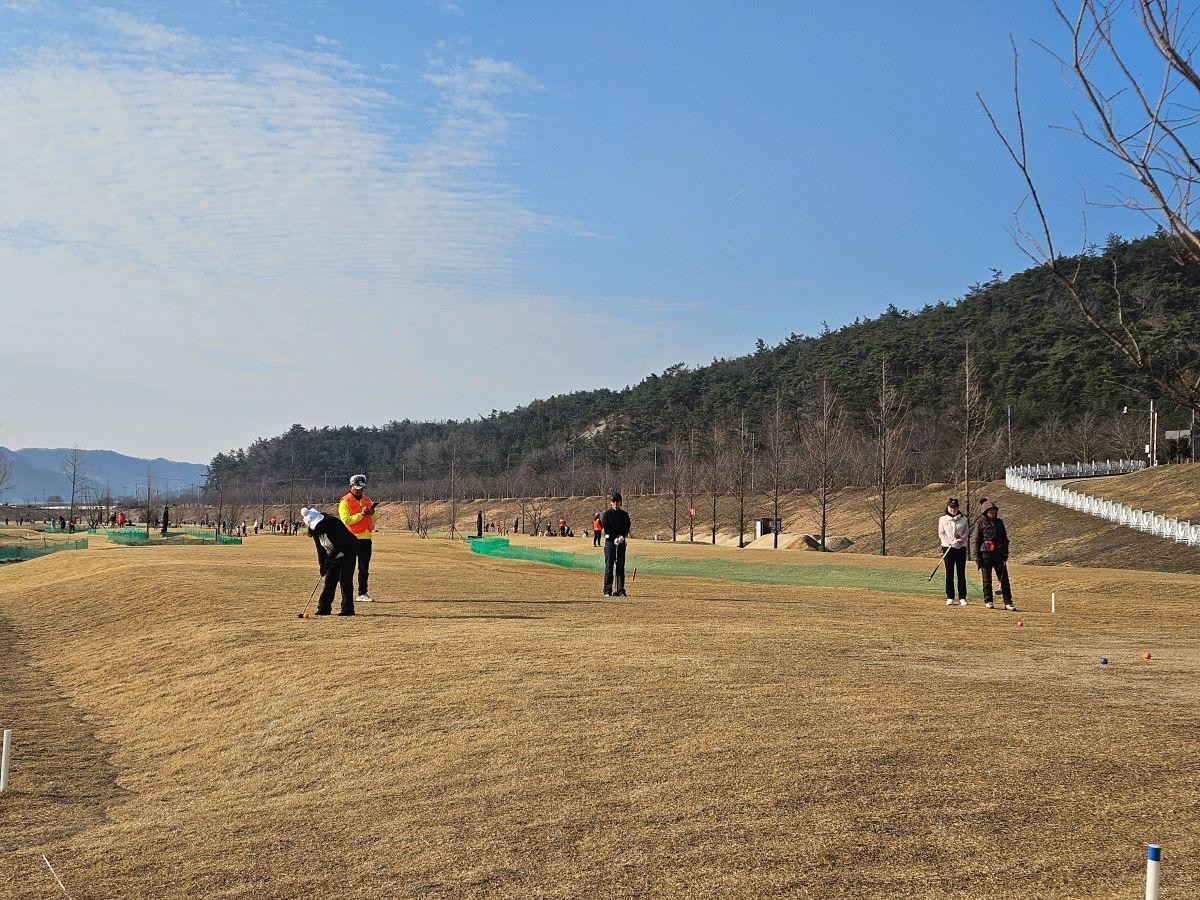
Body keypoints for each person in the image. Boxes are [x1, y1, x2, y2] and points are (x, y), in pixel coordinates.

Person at [301, 507, 357, 616]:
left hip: (348, 551)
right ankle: (324, 608)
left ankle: (347, 609)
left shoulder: (333, 523)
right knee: (329, 580)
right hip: (332, 555)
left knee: (345, 580)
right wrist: (322, 565)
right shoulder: (316, 532)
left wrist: (328, 560)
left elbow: (339, 545)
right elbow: (320, 550)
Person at [339, 474, 378, 603]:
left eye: (362, 488)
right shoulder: (345, 501)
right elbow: (346, 520)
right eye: (357, 488)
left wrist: (372, 513)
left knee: (364, 568)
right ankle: (347, 594)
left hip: (366, 537)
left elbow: (374, 518)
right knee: (348, 568)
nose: (360, 490)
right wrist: (361, 515)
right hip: (351, 538)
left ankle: (362, 593)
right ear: (350, 486)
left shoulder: (368, 500)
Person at [972, 499, 1016, 611]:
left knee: (1004, 579)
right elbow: (977, 540)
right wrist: (977, 556)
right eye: (990, 510)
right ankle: (988, 600)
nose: (992, 512)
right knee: (987, 580)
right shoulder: (980, 523)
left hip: (999, 554)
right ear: (985, 511)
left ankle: (1008, 602)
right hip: (985, 554)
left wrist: (1005, 552)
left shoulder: (999, 522)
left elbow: (1005, 539)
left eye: (994, 510)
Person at [938, 497, 969, 606]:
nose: (953, 509)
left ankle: (962, 597)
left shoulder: (964, 519)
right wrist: (950, 542)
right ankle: (950, 597)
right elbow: (941, 533)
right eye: (951, 507)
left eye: (955, 507)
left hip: (961, 548)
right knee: (949, 573)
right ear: (948, 507)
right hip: (948, 548)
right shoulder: (942, 519)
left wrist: (960, 541)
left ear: (958, 508)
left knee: (961, 573)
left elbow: (966, 533)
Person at [601, 492, 631, 597]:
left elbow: (627, 526)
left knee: (620, 566)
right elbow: (605, 526)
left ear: (620, 502)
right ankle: (607, 589)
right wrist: (613, 537)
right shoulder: (607, 514)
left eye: (617, 501)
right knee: (609, 565)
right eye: (613, 501)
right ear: (611, 503)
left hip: (621, 542)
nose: (615, 503)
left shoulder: (624, 515)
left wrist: (622, 536)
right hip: (610, 542)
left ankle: (620, 589)